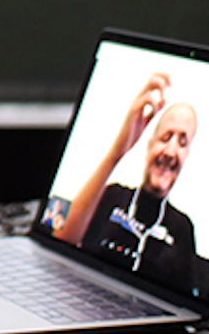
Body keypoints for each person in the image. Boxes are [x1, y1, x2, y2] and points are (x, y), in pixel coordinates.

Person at [52, 72, 199, 293]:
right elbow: (65, 241)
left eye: (182, 142)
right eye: (165, 137)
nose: (170, 151)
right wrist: (117, 152)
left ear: (187, 155)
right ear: (149, 144)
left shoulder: (182, 228)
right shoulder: (113, 196)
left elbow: (186, 302)